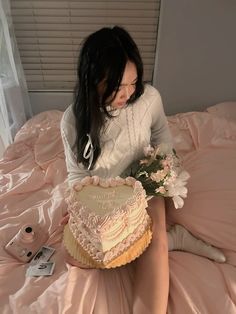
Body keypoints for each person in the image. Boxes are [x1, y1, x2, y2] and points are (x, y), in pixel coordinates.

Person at [60, 26, 225, 314]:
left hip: (143, 185)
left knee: (153, 244)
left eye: (132, 83)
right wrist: (79, 204)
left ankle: (167, 239)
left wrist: (162, 168)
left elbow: (162, 137)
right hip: (103, 198)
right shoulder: (73, 119)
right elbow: (76, 174)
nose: (126, 94)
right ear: (92, 80)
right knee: (75, 256)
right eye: (115, 86)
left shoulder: (149, 99)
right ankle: (176, 239)